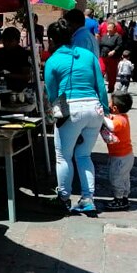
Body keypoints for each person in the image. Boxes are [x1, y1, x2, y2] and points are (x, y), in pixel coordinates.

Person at [44, 18, 109, 215]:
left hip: (71, 109)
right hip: (94, 108)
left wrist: (57, 118)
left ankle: (63, 197)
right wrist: (105, 112)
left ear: (52, 40)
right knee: (84, 155)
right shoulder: (89, 55)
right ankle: (88, 198)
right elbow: (101, 86)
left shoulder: (53, 60)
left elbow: (53, 94)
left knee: (63, 156)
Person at [102, 92, 134, 211]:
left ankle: (119, 199)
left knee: (116, 177)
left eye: (110, 102)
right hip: (126, 156)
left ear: (114, 108)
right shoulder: (123, 117)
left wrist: (102, 117)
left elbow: (111, 126)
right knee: (124, 178)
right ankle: (124, 197)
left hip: (120, 157)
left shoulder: (120, 120)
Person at [0, 27, 32, 91]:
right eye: (5, 40)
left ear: (18, 41)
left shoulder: (23, 54)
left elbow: (27, 76)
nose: (7, 43)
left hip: (17, 89)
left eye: (10, 41)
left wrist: (7, 75)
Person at [99, 22, 122, 93]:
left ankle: (111, 87)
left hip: (112, 58)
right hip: (103, 56)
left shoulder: (118, 37)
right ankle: (99, 87)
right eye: (108, 29)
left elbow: (119, 45)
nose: (109, 30)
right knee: (101, 71)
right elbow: (100, 45)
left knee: (111, 74)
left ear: (114, 29)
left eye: (110, 29)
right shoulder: (104, 36)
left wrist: (114, 51)